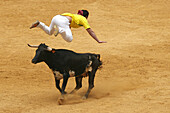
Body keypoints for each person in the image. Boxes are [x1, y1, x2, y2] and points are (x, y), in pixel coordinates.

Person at [30, 10, 106, 43]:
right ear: (86, 16)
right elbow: (90, 31)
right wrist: (97, 40)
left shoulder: (75, 16)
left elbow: (68, 26)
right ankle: (60, 30)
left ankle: (39, 24)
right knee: (69, 39)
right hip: (63, 22)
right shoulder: (83, 19)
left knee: (50, 32)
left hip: (56, 17)